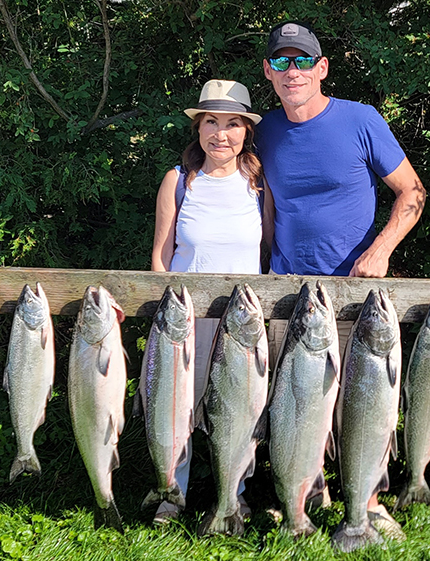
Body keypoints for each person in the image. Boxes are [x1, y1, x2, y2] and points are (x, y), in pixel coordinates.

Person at [257, 21, 426, 540]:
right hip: (287, 294)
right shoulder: (262, 130)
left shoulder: (360, 120)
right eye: (281, 62)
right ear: (268, 72)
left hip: (354, 297)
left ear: (322, 68)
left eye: (302, 61)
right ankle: (305, 493)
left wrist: (380, 249)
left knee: (363, 404)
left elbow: (412, 192)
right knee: (294, 408)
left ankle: (370, 503)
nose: (293, 72)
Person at [151, 79, 266, 523]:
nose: (221, 133)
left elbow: (266, 249)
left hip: (242, 326)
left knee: (241, 410)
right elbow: (161, 256)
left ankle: (232, 496)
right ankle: (170, 493)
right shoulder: (179, 181)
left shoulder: (257, 183)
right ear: (198, 129)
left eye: (232, 123)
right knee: (175, 405)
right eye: (211, 122)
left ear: (246, 131)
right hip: (186, 323)